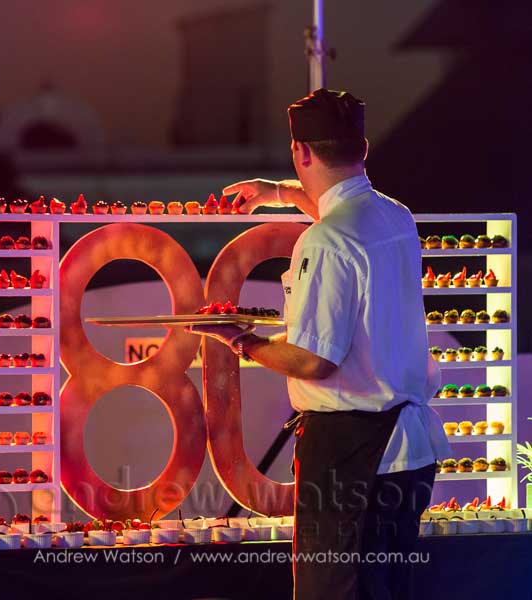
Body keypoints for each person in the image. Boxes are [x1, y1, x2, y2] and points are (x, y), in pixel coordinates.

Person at [192, 89, 450, 600]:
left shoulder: (326, 240)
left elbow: (314, 361)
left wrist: (241, 340)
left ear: (301, 152)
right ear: (365, 148)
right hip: (408, 452)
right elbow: (342, 217)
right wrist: (282, 192)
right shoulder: (395, 216)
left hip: (355, 454)